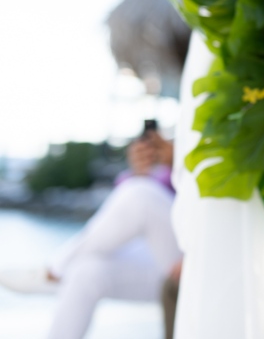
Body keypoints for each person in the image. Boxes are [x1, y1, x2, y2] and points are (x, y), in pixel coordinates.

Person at [0, 130, 183, 339]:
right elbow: (125, 210)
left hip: (200, 252)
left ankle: (53, 271)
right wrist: (147, 171)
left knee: (140, 193)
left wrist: (180, 164)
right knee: (86, 271)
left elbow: (140, 200)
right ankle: (57, 272)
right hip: (174, 253)